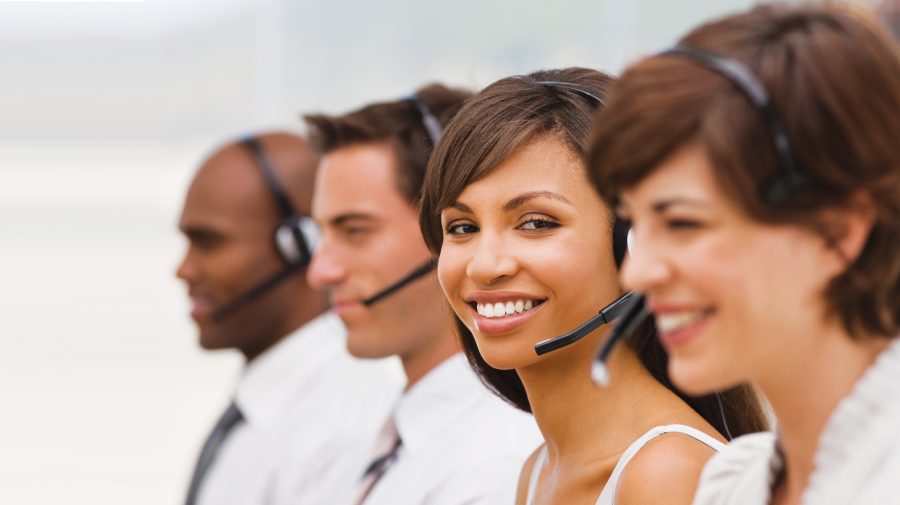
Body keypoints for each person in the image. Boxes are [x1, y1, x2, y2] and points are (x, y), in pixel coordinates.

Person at [587, 4, 900, 505]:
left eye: (683, 222)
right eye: (637, 225)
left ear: (837, 232)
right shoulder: (729, 483)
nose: (637, 274)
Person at [418, 68, 768, 505]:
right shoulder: (539, 471)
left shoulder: (667, 476)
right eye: (463, 227)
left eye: (537, 223)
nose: (485, 266)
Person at [304, 84, 542, 505]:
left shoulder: (491, 467)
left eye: (354, 231)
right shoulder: (393, 438)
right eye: (321, 233)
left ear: (447, 230)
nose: (320, 271)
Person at [176, 132, 402, 505]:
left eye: (208, 242)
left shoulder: (340, 426)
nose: (183, 270)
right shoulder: (270, 403)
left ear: (301, 245)